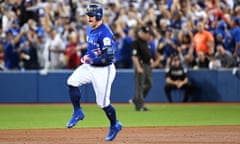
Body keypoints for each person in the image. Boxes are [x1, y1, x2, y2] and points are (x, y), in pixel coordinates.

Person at [66, 3, 122, 141]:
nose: (89, 17)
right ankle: (78, 112)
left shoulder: (105, 33)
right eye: (88, 15)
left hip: (104, 70)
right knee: (72, 81)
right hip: (90, 67)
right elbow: (93, 47)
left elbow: (109, 56)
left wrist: (92, 59)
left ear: (98, 16)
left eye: (91, 15)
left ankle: (115, 124)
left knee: (103, 104)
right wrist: (87, 56)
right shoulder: (89, 28)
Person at [130, 26, 153, 111]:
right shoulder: (136, 42)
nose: (147, 35)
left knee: (149, 84)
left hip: (147, 65)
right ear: (141, 33)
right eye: (145, 33)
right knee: (139, 86)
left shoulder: (146, 42)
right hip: (140, 65)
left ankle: (136, 99)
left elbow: (146, 53)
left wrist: (150, 59)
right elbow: (134, 56)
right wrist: (138, 67)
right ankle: (139, 106)